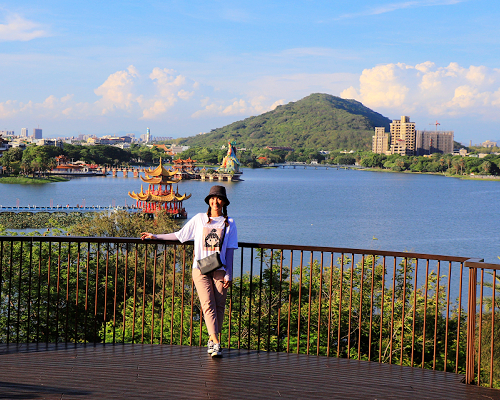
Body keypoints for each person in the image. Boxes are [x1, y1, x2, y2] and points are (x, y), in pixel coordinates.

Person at [141, 185, 237, 357]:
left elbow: (229, 251)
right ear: (209, 201)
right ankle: (216, 342)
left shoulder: (229, 223)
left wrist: (229, 273)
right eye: (212, 198)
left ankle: (212, 339)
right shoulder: (199, 218)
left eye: (219, 198)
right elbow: (180, 235)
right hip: (200, 268)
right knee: (208, 303)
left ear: (224, 202)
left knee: (219, 305)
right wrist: (156, 236)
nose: (215, 201)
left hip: (220, 268)